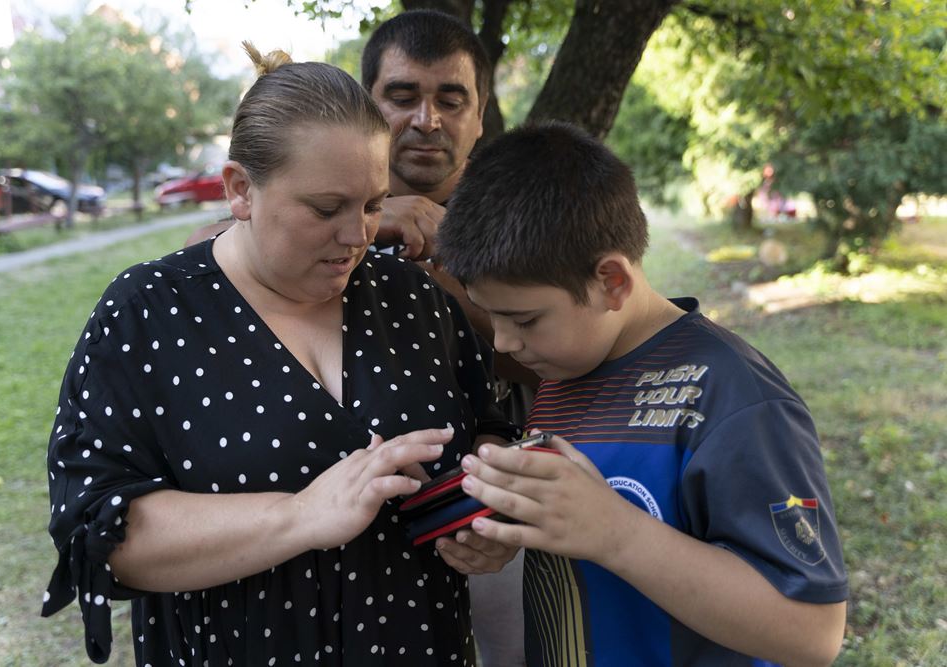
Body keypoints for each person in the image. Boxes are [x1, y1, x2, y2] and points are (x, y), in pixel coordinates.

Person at [41, 43, 520, 666]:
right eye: (326, 209)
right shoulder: (147, 311)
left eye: (373, 205)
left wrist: (488, 517)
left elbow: (486, 430)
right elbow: (100, 529)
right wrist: (300, 516)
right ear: (240, 190)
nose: (357, 237)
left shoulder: (413, 297)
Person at [185, 12, 534, 665]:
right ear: (366, 102)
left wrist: (442, 269)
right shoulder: (278, 203)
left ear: (480, 115)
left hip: (482, 510)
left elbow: (564, 353)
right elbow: (209, 275)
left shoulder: (524, 212)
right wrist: (374, 229)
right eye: (403, 97)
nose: (426, 119)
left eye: (450, 99)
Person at [435, 122, 849, 666]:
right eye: (491, 315)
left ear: (612, 281)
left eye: (525, 318)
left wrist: (616, 534)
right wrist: (515, 531)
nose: (505, 342)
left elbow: (812, 632)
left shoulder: (733, 398)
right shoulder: (562, 374)